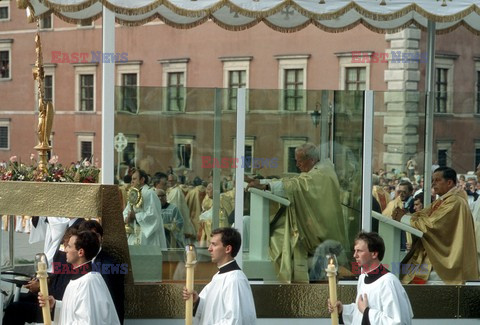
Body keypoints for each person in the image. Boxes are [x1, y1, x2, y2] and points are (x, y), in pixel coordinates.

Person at [247, 143, 347, 282]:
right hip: (313, 223)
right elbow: (294, 181)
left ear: (311, 160)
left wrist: (266, 185)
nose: (297, 165)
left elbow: (298, 185)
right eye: (296, 161)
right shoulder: (317, 170)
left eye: (300, 161)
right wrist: (263, 182)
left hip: (322, 231)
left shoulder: (322, 173)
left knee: (278, 239)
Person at [393, 167, 479, 284]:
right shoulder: (444, 200)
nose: (433, 184)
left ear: (449, 182)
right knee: (402, 273)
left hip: (443, 261)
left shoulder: (454, 201)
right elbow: (423, 215)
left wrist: (403, 218)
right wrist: (406, 216)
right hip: (434, 256)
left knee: (413, 281)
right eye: (433, 180)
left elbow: (431, 225)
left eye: (437, 180)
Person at [328, 231, 413, 325]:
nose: (355, 255)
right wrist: (343, 310)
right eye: (355, 251)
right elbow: (359, 313)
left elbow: (397, 321)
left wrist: (367, 312)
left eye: (359, 251)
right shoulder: (363, 277)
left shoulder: (388, 282)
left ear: (374, 254)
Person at [39, 230, 120, 324]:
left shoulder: (88, 282)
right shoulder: (82, 278)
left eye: (69, 246)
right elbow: (75, 311)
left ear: (80, 252)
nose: (65, 250)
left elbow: (86, 321)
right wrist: (56, 304)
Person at [182, 227, 256, 324]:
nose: (209, 249)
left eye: (214, 244)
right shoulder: (218, 276)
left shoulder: (235, 280)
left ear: (228, 249)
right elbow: (213, 310)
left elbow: (233, 320)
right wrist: (197, 301)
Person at [78, 220, 125, 324]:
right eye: (87, 236)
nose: (91, 239)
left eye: (94, 235)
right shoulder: (76, 262)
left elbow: (113, 301)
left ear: (101, 238)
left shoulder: (111, 265)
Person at [123, 168, 167, 248]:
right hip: (135, 232)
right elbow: (126, 211)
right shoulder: (133, 194)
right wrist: (126, 217)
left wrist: (135, 216)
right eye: (131, 179)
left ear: (142, 180)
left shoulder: (150, 193)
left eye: (134, 179)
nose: (131, 181)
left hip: (147, 237)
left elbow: (153, 216)